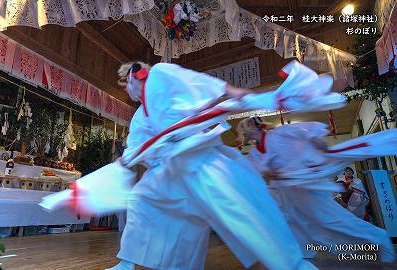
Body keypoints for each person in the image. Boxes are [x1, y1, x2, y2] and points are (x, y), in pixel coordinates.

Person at [41, 60, 346, 270]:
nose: (130, 88)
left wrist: (235, 94)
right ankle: (128, 262)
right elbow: (137, 148)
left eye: (129, 82)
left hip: (204, 160)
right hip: (169, 172)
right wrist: (127, 160)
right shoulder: (140, 116)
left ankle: (292, 263)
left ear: (134, 76)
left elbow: (204, 86)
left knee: (246, 215)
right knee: (144, 205)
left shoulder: (160, 74)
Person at [238, 118, 396, 262]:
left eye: (246, 129)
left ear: (254, 127)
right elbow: (260, 171)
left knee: (329, 219)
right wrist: (269, 173)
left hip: (306, 183)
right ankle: (303, 255)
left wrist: (318, 143)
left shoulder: (280, 133)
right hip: (284, 191)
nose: (245, 134)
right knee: (288, 221)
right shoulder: (254, 153)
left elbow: (306, 132)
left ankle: (379, 238)